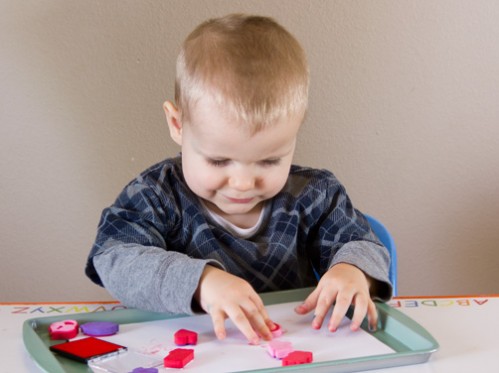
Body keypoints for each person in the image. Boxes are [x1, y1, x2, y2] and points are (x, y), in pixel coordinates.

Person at [85, 13, 392, 346]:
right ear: (178, 124)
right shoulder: (154, 196)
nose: (243, 183)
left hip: (293, 352)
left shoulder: (315, 195)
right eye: (219, 160)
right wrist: (202, 283)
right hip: (192, 354)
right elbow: (113, 258)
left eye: (270, 160)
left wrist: (353, 272)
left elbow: (362, 244)